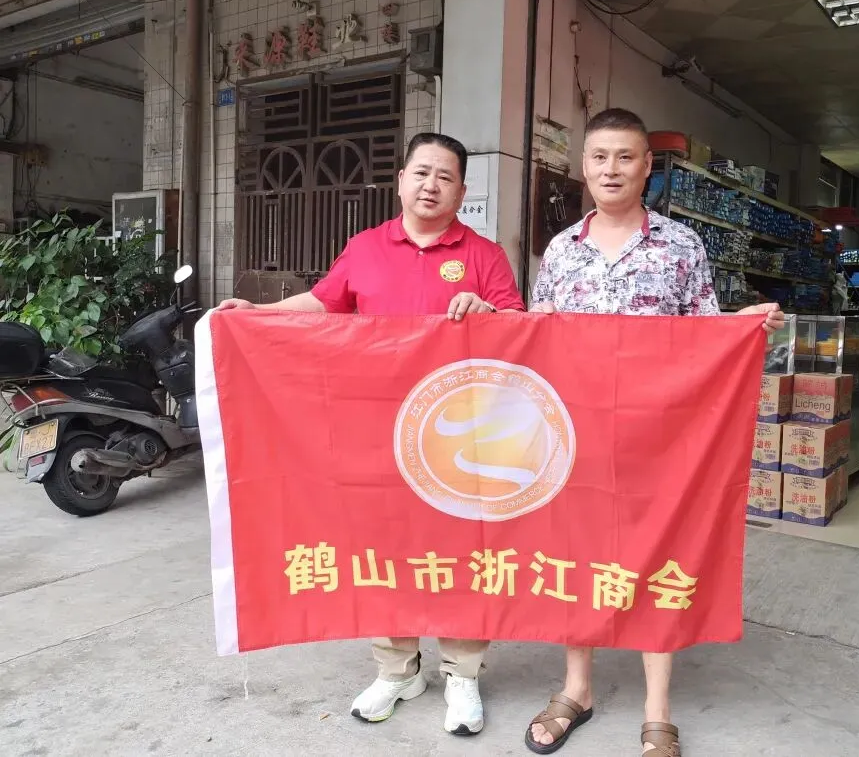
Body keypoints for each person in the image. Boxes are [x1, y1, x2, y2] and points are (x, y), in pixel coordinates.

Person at [219, 132, 525, 737]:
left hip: (457, 436)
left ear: (462, 190)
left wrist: (488, 312)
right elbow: (323, 303)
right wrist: (257, 314)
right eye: (422, 172)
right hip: (376, 430)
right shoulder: (365, 246)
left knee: (463, 548)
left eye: (445, 176)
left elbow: (521, 325)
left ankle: (462, 674)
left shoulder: (485, 255)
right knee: (383, 546)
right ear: (401, 180)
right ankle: (397, 670)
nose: (431, 185)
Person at [523, 108, 784, 757]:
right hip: (576, 436)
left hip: (659, 437)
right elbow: (534, 340)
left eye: (625, 157)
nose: (611, 169)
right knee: (577, 555)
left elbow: (704, 335)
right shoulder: (561, 250)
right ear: (584, 168)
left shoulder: (681, 246)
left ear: (647, 167)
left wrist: (744, 329)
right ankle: (577, 688)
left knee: (660, 551)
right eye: (600, 157)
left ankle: (657, 707)